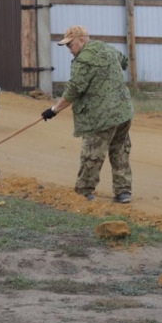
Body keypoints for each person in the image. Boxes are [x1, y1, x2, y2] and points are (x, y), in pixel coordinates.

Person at [40, 25, 134, 204]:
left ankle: (84, 191)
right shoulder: (106, 47)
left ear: (81, 41)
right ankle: (123, 192)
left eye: (71, 45)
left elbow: (73, 90)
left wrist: (54, 110)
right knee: (120, 150)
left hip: (101, 116)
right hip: (123, 111)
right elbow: (123, 62)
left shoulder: (83, 60)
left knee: (92, 153)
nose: (70, 50)